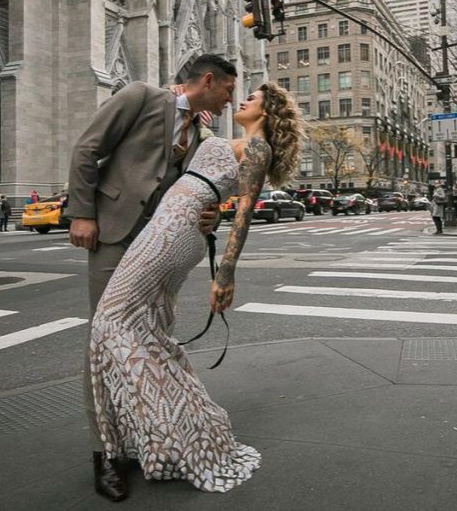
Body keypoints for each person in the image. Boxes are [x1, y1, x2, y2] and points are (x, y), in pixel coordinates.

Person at [89, 82, 303, 494]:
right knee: (141, 328)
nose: (242, 100)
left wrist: (226, 273)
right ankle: (168, 424)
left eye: (253, 98)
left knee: (111, 320)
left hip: (176, 230)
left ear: (267, 111)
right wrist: (178, 98)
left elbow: (244, 213)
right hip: (169, 222)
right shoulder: (226, 140)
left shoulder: (257, 149)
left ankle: (174, 420)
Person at [66, 54, 237, 501]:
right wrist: (83, 214)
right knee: (105, 338)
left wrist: (209, 217)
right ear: (207, 80)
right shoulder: (141, 96)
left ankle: (143, 436)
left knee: (147, 339)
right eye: (226, 91)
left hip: (158, 250)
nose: (228, 102)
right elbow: (87, 148)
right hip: (113, 233)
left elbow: (193, 191)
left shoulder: (203, 134)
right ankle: (105, 454)